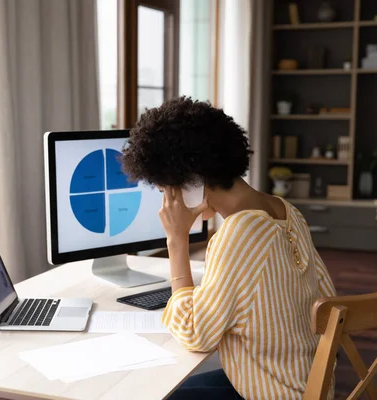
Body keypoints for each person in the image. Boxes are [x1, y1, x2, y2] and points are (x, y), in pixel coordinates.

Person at [121, 97, 337, 400]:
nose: (167, 202)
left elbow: (196, 335)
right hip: (309, 381)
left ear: (192, 180)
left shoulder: (238, 233)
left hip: (275, 392)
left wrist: (177, 239)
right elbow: (327, 296)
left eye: (165, 191)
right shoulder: (286, 210)